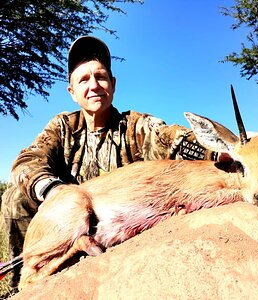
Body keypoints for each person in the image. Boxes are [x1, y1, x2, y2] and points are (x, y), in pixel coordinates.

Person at [0, 36, 215, 288]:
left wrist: (225, 150)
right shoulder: (62, 127)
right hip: (66, 217)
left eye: (101, 77)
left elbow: (172, 139)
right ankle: (23, 284)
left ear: (112, 84)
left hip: (114, 221)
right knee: (15, 198)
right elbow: (27, 161)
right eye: (83, 79)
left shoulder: (135, 126)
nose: (94, 85)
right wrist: (55, 192)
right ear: (72, 92)